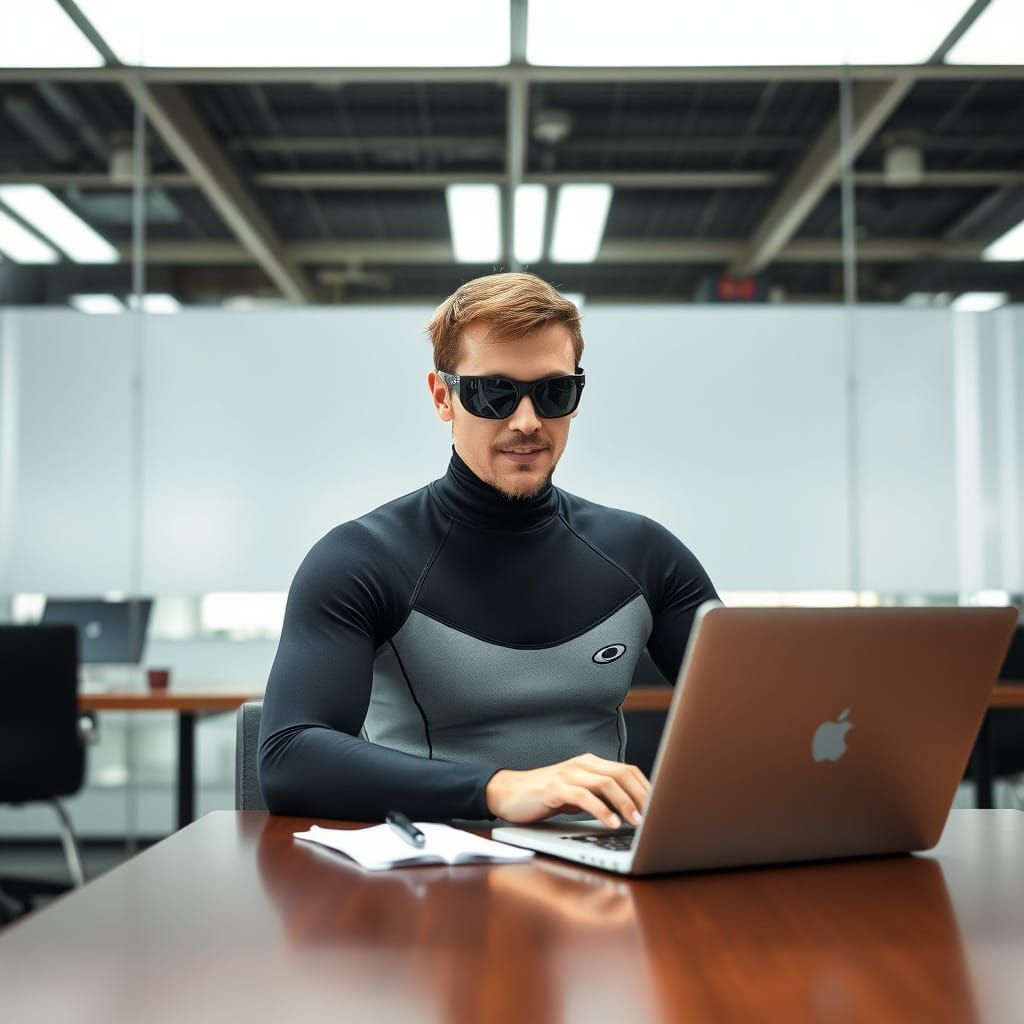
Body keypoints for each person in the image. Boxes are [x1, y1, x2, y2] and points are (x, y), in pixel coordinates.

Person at [258, 272, 718, 828]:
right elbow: (289, 759)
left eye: (553, 393)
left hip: (604, 875)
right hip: (431, 878)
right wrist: (499, 790)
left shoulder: (645, 554)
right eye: (493, 394)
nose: (527, 422)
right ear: (442, 397)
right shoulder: (359, 560)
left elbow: (762, 717)